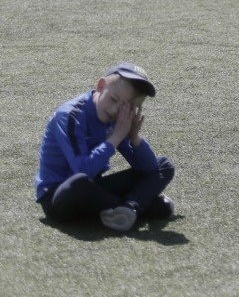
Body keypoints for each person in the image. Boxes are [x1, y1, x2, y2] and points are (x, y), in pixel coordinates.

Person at [34, 62, 176, 232]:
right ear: (101, 86)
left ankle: (128, 208)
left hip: (94, 188)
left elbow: (149, 168)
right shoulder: (70, 115)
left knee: (163, 165)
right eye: (113, 99)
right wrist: (116, 136)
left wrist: (134, 137)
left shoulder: (118, 119)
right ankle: (132, 206)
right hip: (60, 196)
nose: (116, 110)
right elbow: (82, 170)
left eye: (127, 107)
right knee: (79, 182)